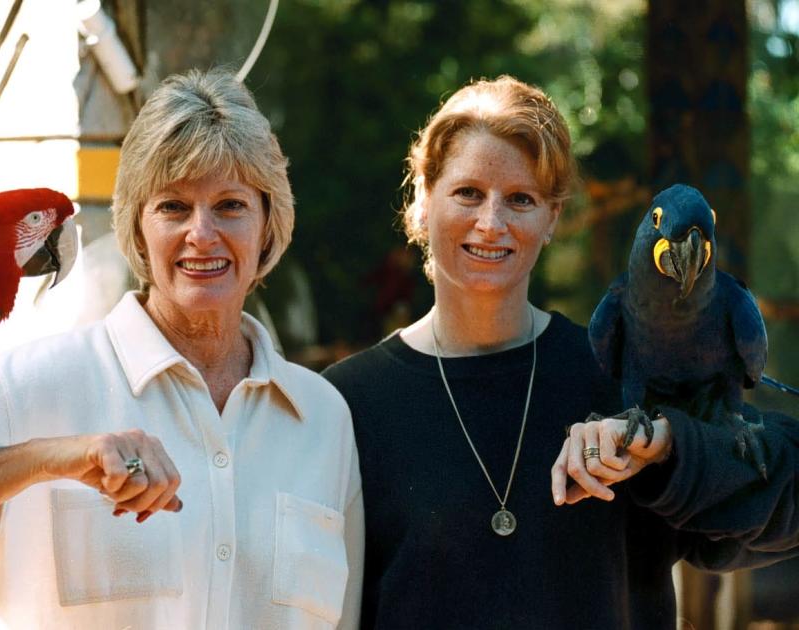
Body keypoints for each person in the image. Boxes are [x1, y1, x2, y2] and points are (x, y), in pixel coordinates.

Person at [0, 69, 363, 630]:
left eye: (231, 205)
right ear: (137, 229)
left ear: (269, 225)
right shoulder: (27, 386)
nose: (202, 233)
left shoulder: (323, 418)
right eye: (173, 207)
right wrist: (50, 459)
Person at [322, 75, 799, 629]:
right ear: (424, 200)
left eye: (520, 199)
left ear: (552, 217)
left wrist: (668, 449)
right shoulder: (347, 402)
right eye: (468, 193)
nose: (491, 222)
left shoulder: (618, 373)